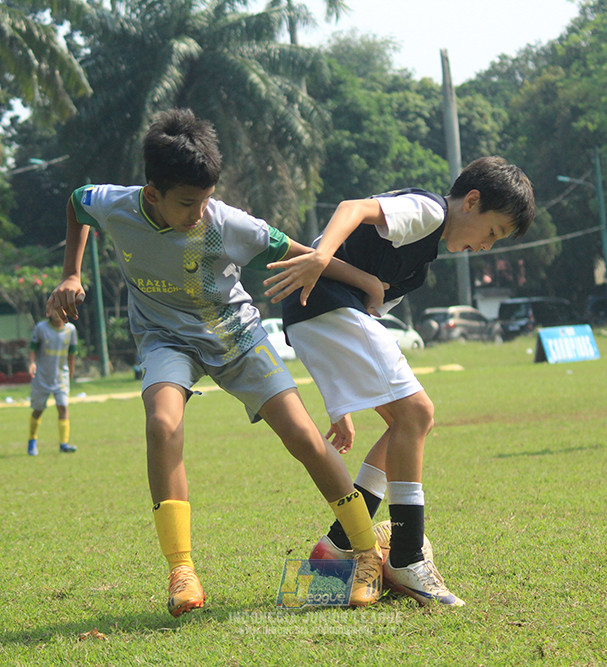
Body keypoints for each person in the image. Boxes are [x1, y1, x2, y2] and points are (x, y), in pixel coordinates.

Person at [45, 108, 385, 618]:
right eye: (188, 202)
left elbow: (298, 252)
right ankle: (181, 569)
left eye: (206, 199)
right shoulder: (115, 205)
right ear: (153, 194)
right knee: (161, 424)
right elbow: (76, 204)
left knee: (303, 437)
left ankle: (367, 552)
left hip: (237, 336)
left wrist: (365, 281)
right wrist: (71, 273)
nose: (200, 212)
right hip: (166, 338)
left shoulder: (227, 223)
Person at [266, 156, 536, 606]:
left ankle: (334, 550)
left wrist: (341, 402)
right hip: (323, 305)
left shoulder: (417, 270)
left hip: (319, 313)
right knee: (419, 412)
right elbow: (353, 207)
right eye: (492, 232)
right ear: (472, 202)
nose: (487, 246)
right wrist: (319, 256)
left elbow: (369, 311)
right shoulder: (430, 212)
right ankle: (408, 557)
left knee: (406, 424)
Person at [27, 312, 78, 455]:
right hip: (42, 376)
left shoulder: (71, 330)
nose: (57, 314)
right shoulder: (41, 328)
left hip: (61, 376)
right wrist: (31, 363)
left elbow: (72, 354)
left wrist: (71, 373)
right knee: (38, 410)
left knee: (63, 407)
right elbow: (32, 348)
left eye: (60, 310)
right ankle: (32, 441)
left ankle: (64, 444)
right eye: (54, 310)